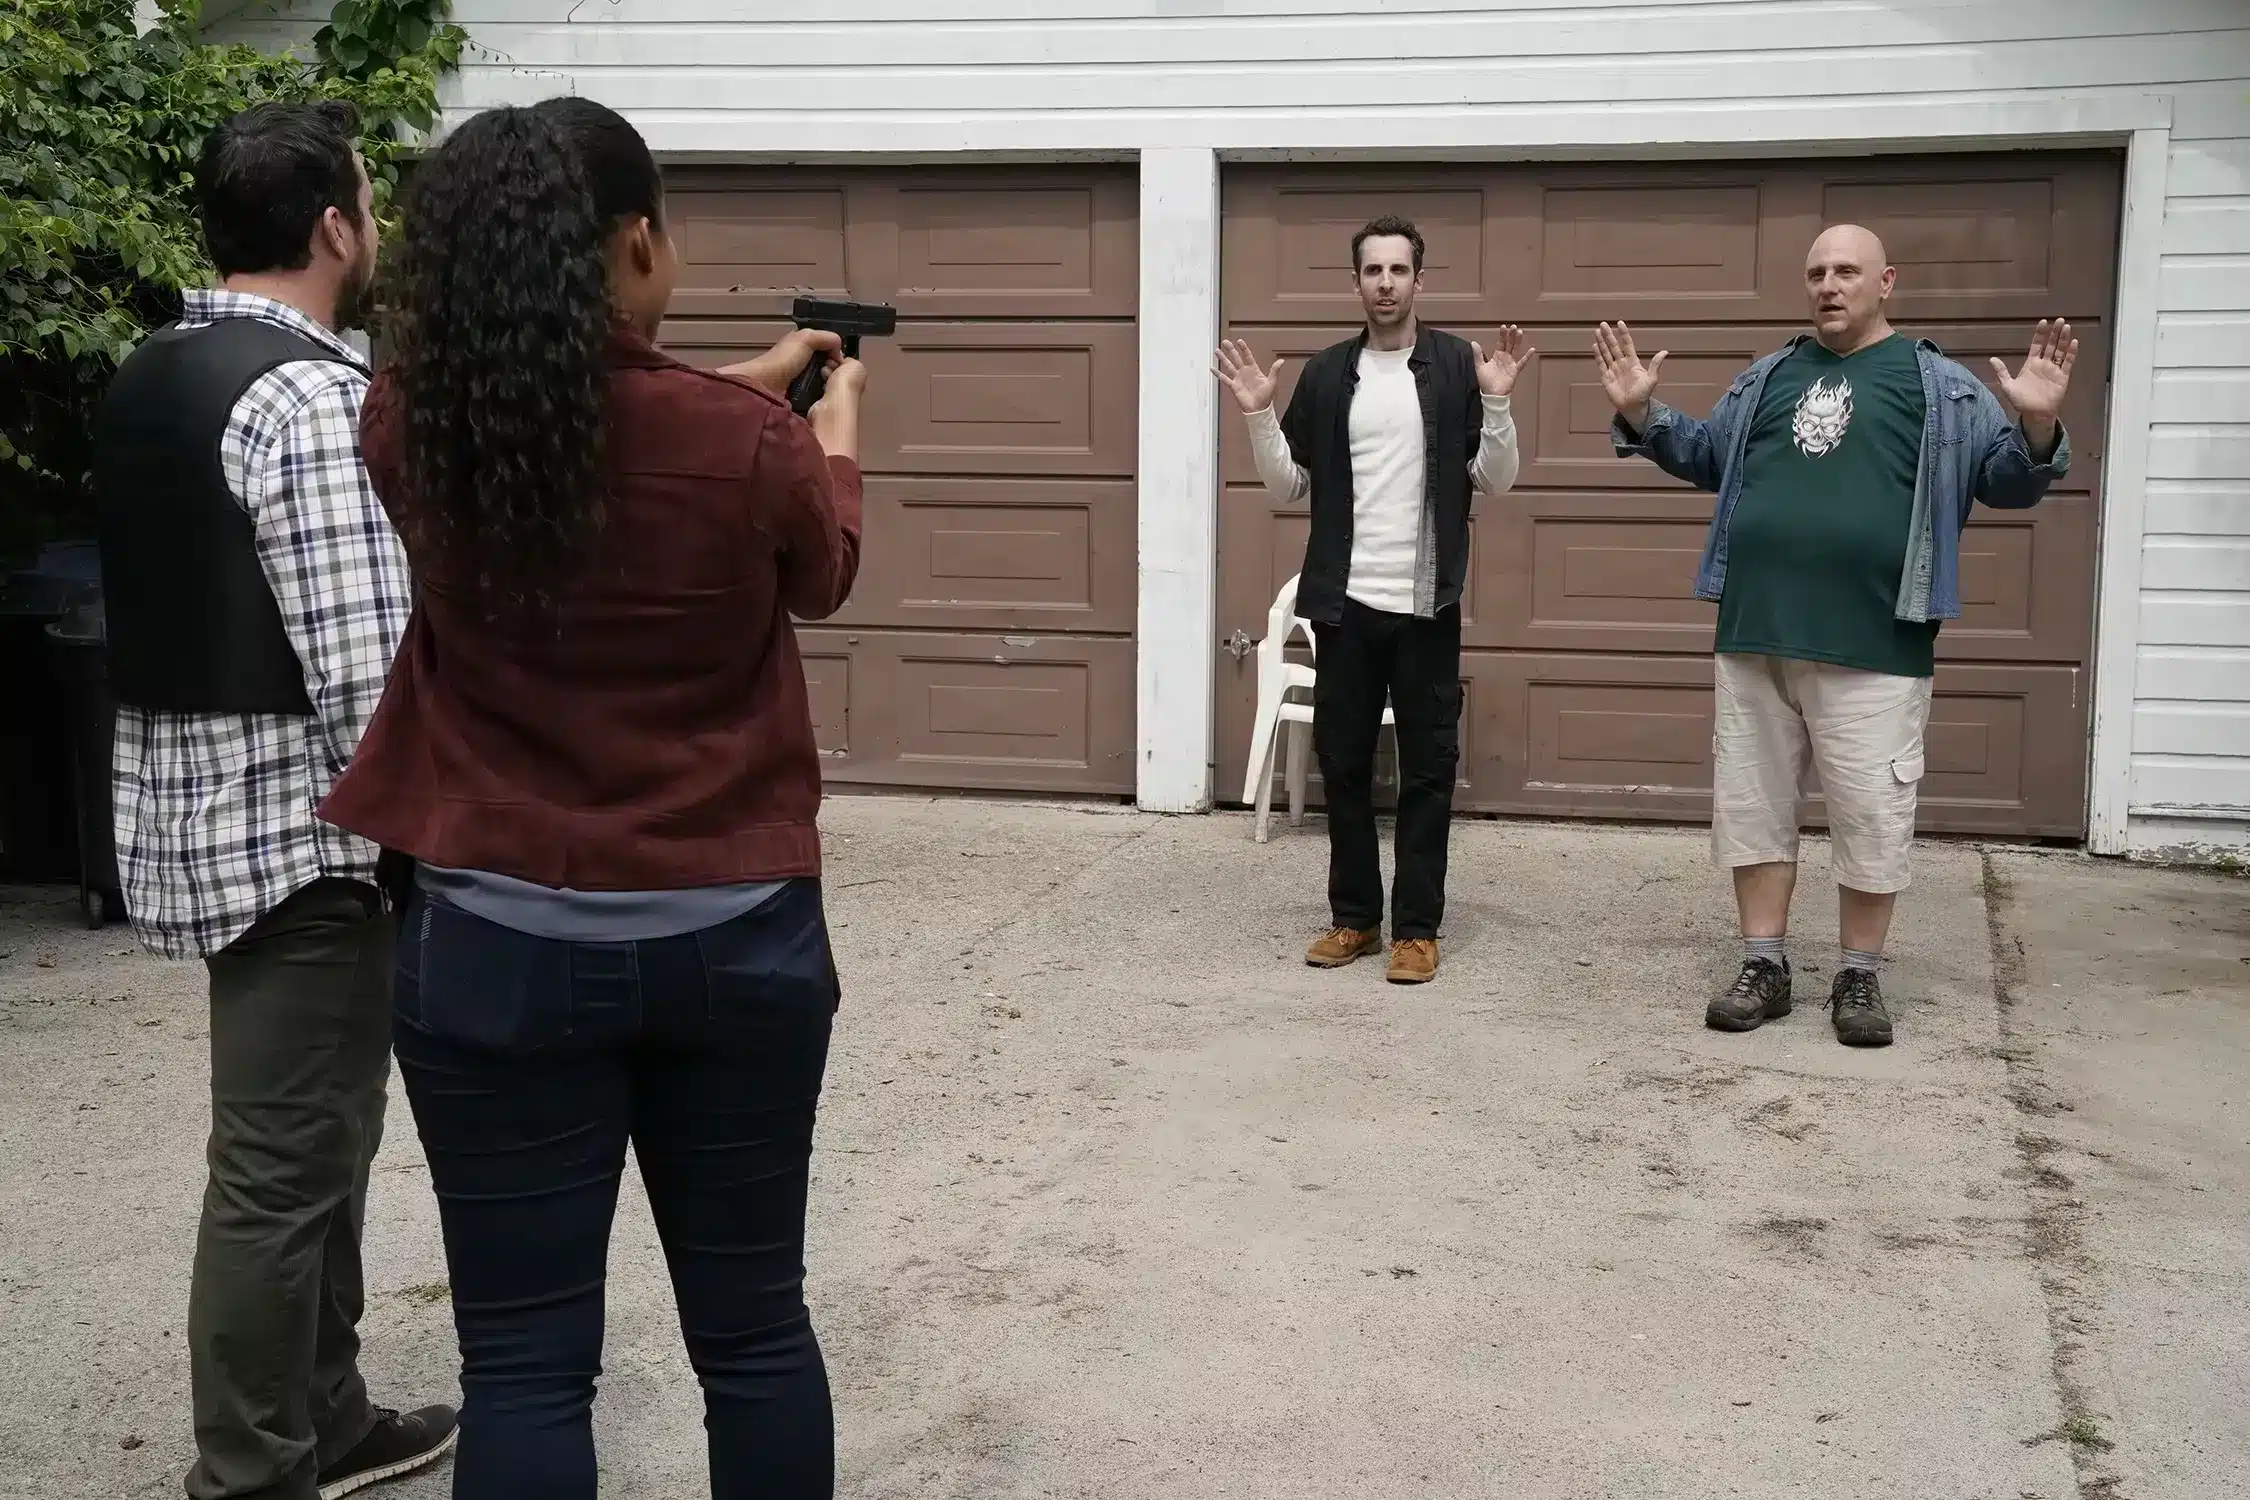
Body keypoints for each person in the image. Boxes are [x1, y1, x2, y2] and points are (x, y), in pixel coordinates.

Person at [314, 96, 865, 1499]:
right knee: (754, 1333)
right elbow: (821, 572)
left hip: (494, 947)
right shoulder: (751, 445)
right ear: (635, 242)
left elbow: (576, 420)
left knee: (523, 1366)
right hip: (733, 943)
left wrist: (745, 383)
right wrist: (831, 427)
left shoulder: (413, 429)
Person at [91, 102, 457, 1499]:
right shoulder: (306, 398)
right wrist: (439, 845)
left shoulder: (156, 369)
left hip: (199, 822)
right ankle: (251, 1470)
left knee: (314, 1147)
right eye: (370, 200)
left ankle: (329, 1414)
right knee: (282, 1166)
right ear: (332, 228)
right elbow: (371, 671)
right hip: (310, 841)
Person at [1594, 224, 2076, 1046]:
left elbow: (2007, 482)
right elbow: (1707, 454)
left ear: (1885, 281)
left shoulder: (1940, 384)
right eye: (1817, 272)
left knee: (1871, 816)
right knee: (1754, 809)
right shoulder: (1768, 376)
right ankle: (1765, 964)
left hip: (1878, 644)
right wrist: (1642, 411)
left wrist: (2036, 426)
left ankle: (1859, 975)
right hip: (1755, 634)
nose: (1828, 285)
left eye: (1847, 271)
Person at [1213, 214, 1528, 985]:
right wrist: (1257, 414)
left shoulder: (1455, 367)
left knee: (1427, 770)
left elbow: (1496, 480)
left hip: (1426, 606)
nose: (1386, 283)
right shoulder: (1327, 375)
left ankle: (1416, 930)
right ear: (1355, 282)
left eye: (1398, 269)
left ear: (1419, 279)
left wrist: (1496, 405)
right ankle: (1355, 917)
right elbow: (1289, 485)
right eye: (1373, 270)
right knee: (1345, 766)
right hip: (1344, 606)